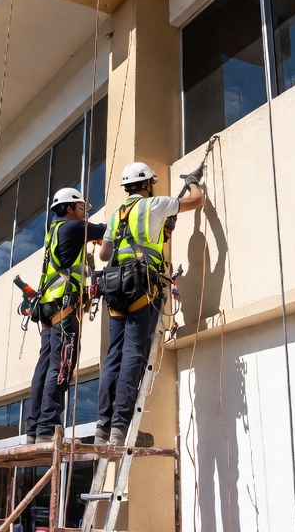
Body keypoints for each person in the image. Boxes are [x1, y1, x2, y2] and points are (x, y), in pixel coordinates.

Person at [96, 162, 204, 445]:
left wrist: (159, 231)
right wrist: (192, 181)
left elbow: (105, 255)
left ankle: (103, 427)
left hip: (116, 288)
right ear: (146, 185)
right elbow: (196, 200)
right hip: (142, 286)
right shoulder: (155, 204)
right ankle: (121, 428)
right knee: (134, 353)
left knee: (114, 356)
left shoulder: (116, 215)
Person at [23, 187, 107, 444]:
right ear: (69, 208)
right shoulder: (72, 228)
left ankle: (34, 429)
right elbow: (106, 229)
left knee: (45, 366)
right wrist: (94, 234)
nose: (83, 215)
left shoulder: (54, 233)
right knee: (61, 365)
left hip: (50, 308)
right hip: (64, 309)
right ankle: (48, 428)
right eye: (81, 208)